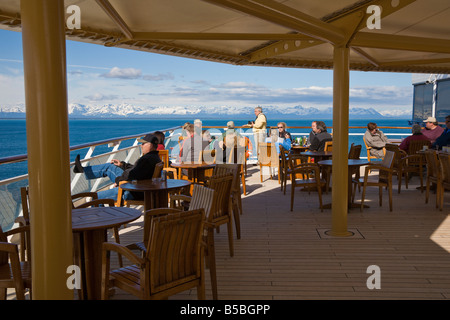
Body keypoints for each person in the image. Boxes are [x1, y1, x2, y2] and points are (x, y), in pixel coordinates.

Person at [73, 134, 162, 201]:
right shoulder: (154, 157)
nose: (141, 145)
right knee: (109, 166)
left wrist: (119, 181)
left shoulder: (146, 160)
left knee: (95, 198)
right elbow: (135, 170)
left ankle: (100, 223)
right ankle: (83, 170)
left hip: (131, 190)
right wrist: (122, 165)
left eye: (143, 144)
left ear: (150, 145)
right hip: (135, 185)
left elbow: (132, 175)